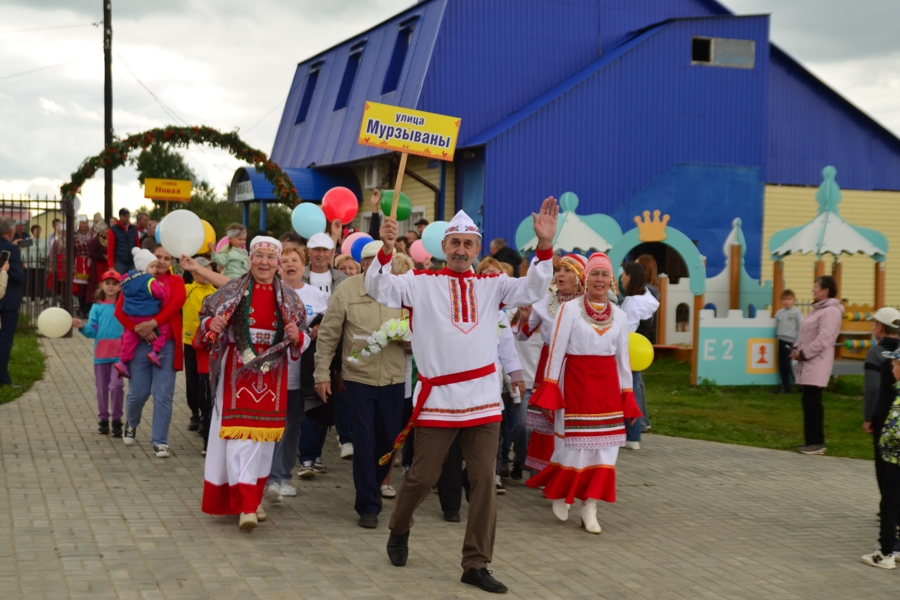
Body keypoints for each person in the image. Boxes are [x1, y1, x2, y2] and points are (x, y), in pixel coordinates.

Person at [367, 201, 557, 594]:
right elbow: (379, 287)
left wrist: (544, 245)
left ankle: (475, 563)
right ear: (443, 245)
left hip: (485, 399)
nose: (460, 250)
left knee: (484, 479)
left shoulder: (493, 285)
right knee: (422, 477)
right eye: (454, 242)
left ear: (477, 248)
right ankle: (399, 528)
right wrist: (385, 249)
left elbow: (534, 288)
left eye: (468, 244)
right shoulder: (421, 282)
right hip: (438, 398)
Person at [526, 252, 642, 535]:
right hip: (575, 386)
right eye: (594, 275)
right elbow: (556, 352)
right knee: (573, 447)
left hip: (607, 391)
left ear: (611, 281)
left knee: (606, 449)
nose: (599, 280)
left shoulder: (620, 316)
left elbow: (623, 361)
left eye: (604, 275)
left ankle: (590, 505)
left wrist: (628, 396)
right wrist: (550, 388)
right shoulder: (570, 310)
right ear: (586, 279)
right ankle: (560, 494)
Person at [198, 236, 308, 531]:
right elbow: (204, 318)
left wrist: (299, 337)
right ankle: (246, 505)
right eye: (259, 255)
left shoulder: (290, 297)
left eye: (271, 257)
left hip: (273, 373)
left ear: (279, 263)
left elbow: (303, 334)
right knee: (239, 438)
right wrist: (212, 325)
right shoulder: (232, 290)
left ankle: (254, 498)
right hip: (238, 370)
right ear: (250, 259)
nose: (264, 262)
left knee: (262, 442)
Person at [315, 240, 407, 529]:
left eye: (386, 262)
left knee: (389, 440)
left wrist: (408, 339)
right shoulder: (347, 290)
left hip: (394, 378)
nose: (380, 267)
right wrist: (322, 374)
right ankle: (367, 504)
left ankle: (375, 484)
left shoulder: (402, 289)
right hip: (359, 378)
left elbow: (420, 329)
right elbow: (328, 334)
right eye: (373, 261)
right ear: (365, 264)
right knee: (365, 440)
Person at [265, 245, 327, 501]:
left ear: (304, 266)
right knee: (271, 428)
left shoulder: (316, 294)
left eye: (295, 260)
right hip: (272, 373)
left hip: (300, 374)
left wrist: (319, 329)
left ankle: (283, 477)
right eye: (286, 261)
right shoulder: (270, 291)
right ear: (279, 267)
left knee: (292, 428)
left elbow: (327, 325)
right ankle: (267, 478)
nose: (291, 265)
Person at [116, 244, 186, 457]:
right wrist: (142, 330)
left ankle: (160, 440)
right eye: (158, 257)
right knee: (138, 392)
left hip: (167, 343)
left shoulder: (176, 281)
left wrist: (153, 323)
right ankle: (132, 422)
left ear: (172, 262)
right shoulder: (136, 279)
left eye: (167, 258)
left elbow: (175, 305)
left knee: (163, 394)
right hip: (138, 342)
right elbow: (120, 311)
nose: (162, 262)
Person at [518, 254, 586, 474]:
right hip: (548, 365)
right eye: (559, 270)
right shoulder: (545, 302)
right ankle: (544, 471)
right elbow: (523, 335)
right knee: (547, 417)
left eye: (567, 271)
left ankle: (571, 469)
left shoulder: (587, 305)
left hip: (575, 365)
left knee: (572, 416)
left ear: (578, 277)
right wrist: (524, 318)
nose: (560, 275)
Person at [303, 231, 353, 458]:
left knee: (333, 395)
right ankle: (308, 454)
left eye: (325, 250)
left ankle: (319, 451)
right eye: (316, 250)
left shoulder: (344, 279)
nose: (321, 254)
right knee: (311, 395)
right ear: (308, 251)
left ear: (333, 253)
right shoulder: (298, 276)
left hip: (339, 343)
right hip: (306, 345)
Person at [791, 275, 843, 455]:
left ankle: (817, 443)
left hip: (817, 362)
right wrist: (797, 348)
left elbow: (824, 339)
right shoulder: (817, 309)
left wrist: (805, 353)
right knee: (808, 401)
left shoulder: (831, 311)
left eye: (816, 286)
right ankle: (811, 441)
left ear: (826, 290)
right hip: (808, 362)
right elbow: (806, 333)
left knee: (813, 402)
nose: (813, 289)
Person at [73, 271, 125, 437]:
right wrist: (82, 326)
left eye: (114, 283)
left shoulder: (124, 305)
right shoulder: (96, 307)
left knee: (117, 387)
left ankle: (116, 419)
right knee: (102, 389)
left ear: (120, 287)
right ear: (102, 285)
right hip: (101, 355)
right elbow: (93, 330)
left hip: (119, 355)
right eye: (107, 283)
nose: (110, 286)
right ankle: (103, 419)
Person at [179, 256, 225, 442]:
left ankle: (207, 417)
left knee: (205, 381)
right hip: (191, 342)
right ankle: (194, 413)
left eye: (206, 270)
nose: (202, 275)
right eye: (198, 271)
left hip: (209, 345)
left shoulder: (217, 292)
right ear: (192, 272)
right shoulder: (187, 289)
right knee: (192, 380)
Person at [862, 349, 900, 569]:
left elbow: (895, 432)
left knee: (889, 504)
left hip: (895, 460)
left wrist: (884, 441)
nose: (892, 369)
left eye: (894, 364)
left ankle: (885, 553)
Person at [114, 248, 173, 378]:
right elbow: (160, 294)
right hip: (148, 314)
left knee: (129, 339)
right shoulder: (150, 280)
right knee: (163, 328)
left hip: (132, 315)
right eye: (152, 266)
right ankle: (155, 352)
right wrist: (161, 288)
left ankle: (123, 361)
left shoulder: (127, 278)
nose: (154, 270)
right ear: (144, 266)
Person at [620, 262, 659, 450]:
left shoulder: (634, 303)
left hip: (630, 352)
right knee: (632, 391)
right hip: (638, 352)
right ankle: (631, 434)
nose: (621, 279)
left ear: (630, 277)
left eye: (624, 275)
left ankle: (632, 434)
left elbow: (627, 329)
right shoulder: (645, 298)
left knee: (630, 393)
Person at [0, 218, 25, 386]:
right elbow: (18, 277)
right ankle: (3, 379)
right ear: (10, 232)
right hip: (7, 301)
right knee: (5, 340)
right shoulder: (11, 249)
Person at [775, 290, 803, 394]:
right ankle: (785, 386)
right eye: (784, 299)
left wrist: (798, 342)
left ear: (794, 300)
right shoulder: (779, 313)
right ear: (782, 301)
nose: (787, 301)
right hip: (781, 340)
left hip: (791, 342)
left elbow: (801, 327)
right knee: (782, 365)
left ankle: (800, 384)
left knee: (790, 365)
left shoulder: (797, 313)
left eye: (789, 299)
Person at [107, 208, 140, 274]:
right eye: (125, 216)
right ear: (120, 216)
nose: (127, 218)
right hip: (119, 262)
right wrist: (111, 266)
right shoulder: (113, 229)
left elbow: (137, 245)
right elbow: (110, 248)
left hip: (132, 261)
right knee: (120, 282)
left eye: (128, 216)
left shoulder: (134, 228)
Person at [74, 218, 94, 318]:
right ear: (79, 224)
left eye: (86, 223)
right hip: (79, 263)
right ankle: (81, 308)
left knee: (89, 287)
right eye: (82, 223)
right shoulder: (74, 236)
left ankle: (88, 308)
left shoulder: (92, 235)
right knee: (81, 287)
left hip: (90, 262)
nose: (84, 225)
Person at [87, 222, 109, 312]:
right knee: (96, 286)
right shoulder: (95, 241)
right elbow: (91, 253)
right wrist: (102, 256)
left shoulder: (108, 240)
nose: (107, 231)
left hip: (106, 266)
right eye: (105, 229)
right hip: (97, 267)